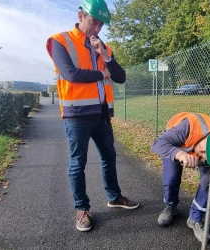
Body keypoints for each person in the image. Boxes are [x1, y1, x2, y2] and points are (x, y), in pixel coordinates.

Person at [46, 0, 139, 232]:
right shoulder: (60, 41)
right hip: (76, 114)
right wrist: (101, 72)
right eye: (93, 22)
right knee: (78, 163)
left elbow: (120, 77)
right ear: (80, 15)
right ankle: (82, 209)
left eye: (100, 25)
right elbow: (71, 74)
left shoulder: (103, 46)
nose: (96, 29)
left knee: (109, 156)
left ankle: (114, 197)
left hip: (101, 114)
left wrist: (105, 56)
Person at [151, 112, 210, 243]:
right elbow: (157, 144)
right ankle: (171, 206)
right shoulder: (185, 128)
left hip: (200, 145)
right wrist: (180, 154)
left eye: (205, 155)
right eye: (203, 151)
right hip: (175, 145)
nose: (201, 155)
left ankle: (195, 218)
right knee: (171, 179)